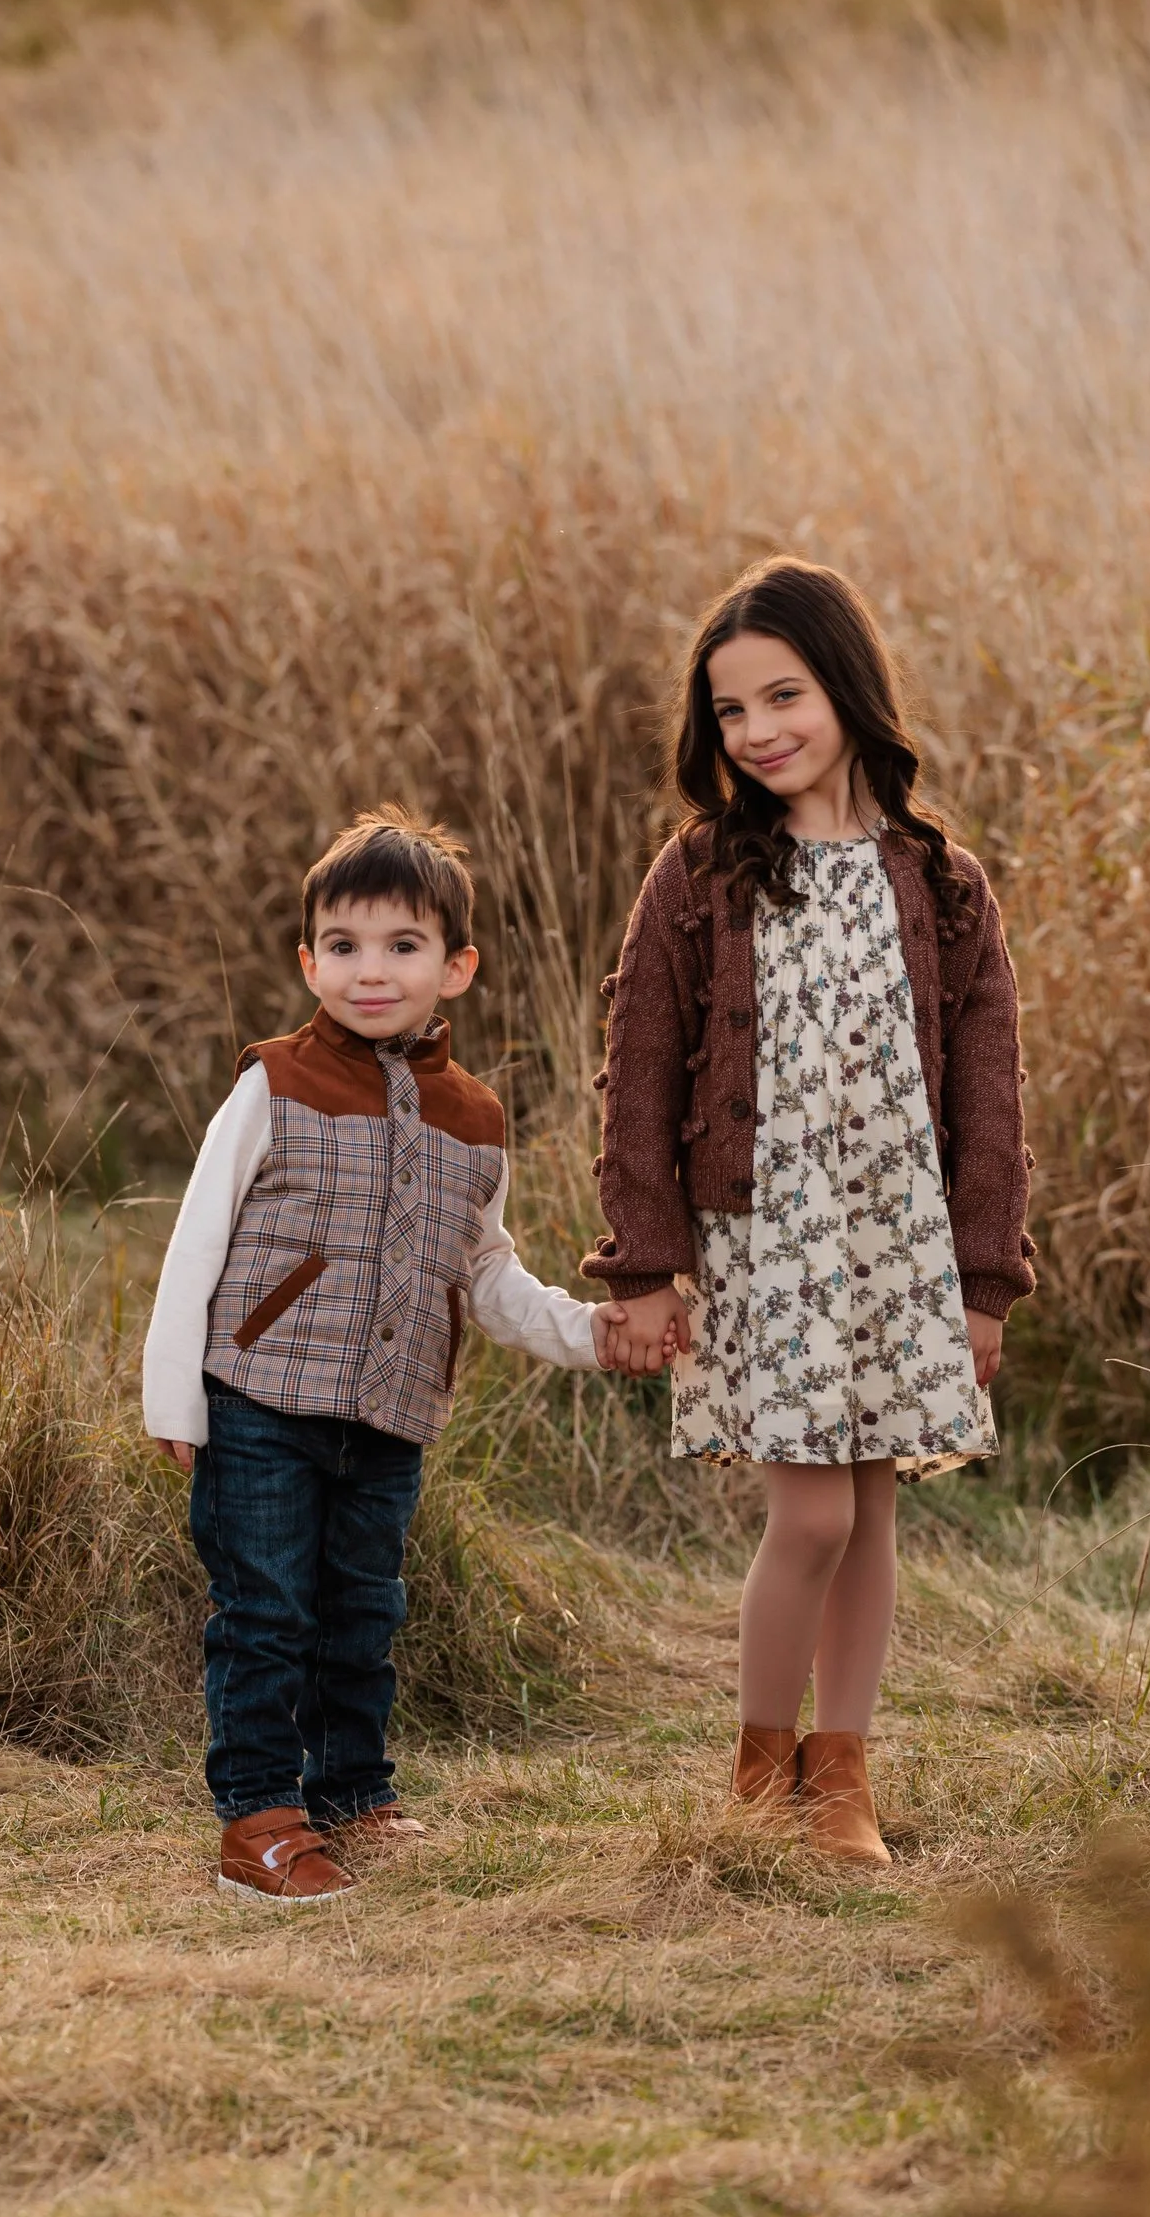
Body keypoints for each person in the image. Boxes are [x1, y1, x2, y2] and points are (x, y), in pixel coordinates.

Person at [589, 560, 1034, 1867]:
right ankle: (755, 1769)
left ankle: (842, 1779)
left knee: (876, 1508)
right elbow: (641, 1072)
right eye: (730, 711)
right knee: (817, 1515)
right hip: (766, 1238)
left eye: (784, 694)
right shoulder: (701, 874)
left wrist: (984, 1281)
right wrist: (645, 1268)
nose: (759, 729)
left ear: (847, 686)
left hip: (897, 1235)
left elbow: (992, 1094)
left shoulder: (939, 880)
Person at [144, 807, 612, 1905]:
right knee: (264, 1614)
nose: (370, 971)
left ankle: (353, 1795)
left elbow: (484, 1269)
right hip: (259, 1401)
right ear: (309, 960)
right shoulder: (275, 1084)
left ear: (456, 968)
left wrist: (589, 1333)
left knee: (362, 1617)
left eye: (402, 947)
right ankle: (259, 1819)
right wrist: (178, 1394)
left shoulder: (475, 1117)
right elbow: (197, 1235)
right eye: (344, 947)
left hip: (390, 1419)